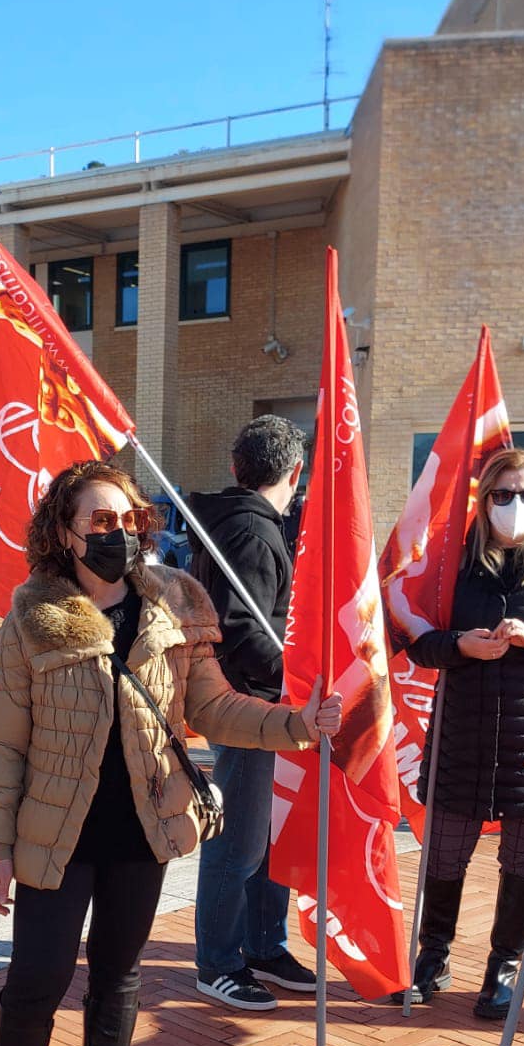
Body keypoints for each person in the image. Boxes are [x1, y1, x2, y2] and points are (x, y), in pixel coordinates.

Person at [0, 461, 342, 1046]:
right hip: (56, 832)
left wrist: (296, 724)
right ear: (64, 532)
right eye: (100, 520)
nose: (119, 533)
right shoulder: (32, 616)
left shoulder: (172, 603)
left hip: (142, 829)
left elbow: (214, 708)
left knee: (117, 976)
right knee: (37, 979)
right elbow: (3, 742)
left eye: (130, 519)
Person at [404, 448, 524, 1017]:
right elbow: (415, 641)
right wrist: (458, 644)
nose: (515, 505)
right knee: (442, 857)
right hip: (461, 734)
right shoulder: (452, 563)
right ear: (483, 501)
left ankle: (503, 967)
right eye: (503, 494)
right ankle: (432, 956)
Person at [187, 414, 316, 1010]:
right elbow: (241, 629)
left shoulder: (242, 524)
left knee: (266, 838)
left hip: (264, 708)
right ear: (295, 471)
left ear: (237, 467)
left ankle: (264, 945)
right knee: (238, 843)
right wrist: (295, 677)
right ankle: (218, 962)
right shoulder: (253, 532)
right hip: (250, 711)